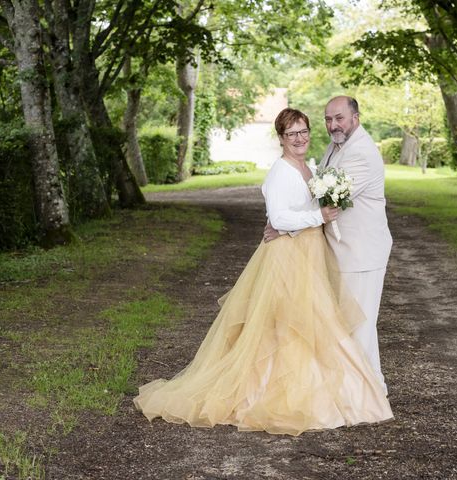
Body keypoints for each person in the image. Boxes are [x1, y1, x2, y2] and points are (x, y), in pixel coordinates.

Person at [134, 108, 393, 436]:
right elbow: (282, 218)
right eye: (291, 134)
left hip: (309, 252)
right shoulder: (280, 172)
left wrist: (312, 215)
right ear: (281, 138)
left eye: (303, 131)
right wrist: (315, 218)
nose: (299, 139)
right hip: (288, 256)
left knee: (313, 322)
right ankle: (272, 392)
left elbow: (300, 209)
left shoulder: (309, 166)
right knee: (287, 324)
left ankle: (321, 386)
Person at [265, 96, 392, 393]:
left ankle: (369, 391)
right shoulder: (336, 147)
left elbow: (329, 199)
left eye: (339, 118)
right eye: (328, 119)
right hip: (339, 250)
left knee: (359, 324)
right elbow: (311, 193)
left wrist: (283, 223)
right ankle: (355, 390)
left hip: (360, 252)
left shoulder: (360, 152)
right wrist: (281, 217)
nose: (333, 125)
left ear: (356, 117)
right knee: (346, 323)